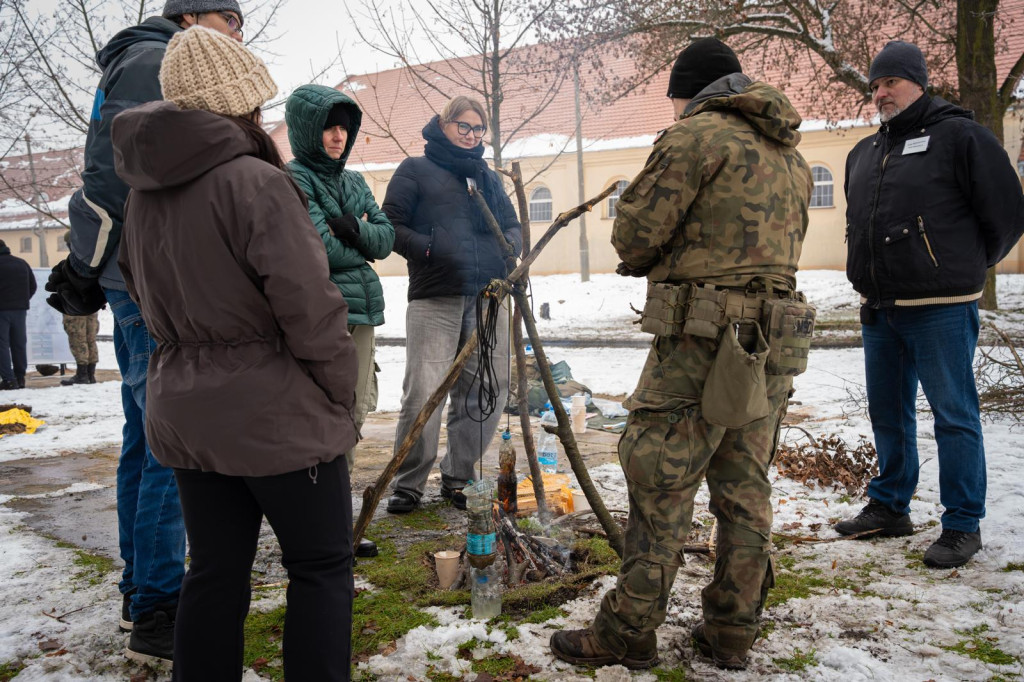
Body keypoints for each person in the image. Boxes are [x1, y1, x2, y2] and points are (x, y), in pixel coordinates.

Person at [549, 38, 812, 671]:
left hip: (699, 345)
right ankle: (731, 631)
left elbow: (635, 234)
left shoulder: (693, 138)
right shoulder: (792, 154)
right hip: (771, 347)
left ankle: (628, 631)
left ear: (685, 93)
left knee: (661, 482)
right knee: (745, 488)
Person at [113, 26, 358, 681]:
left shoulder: (141, 194)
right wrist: (340, 398)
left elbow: (136, 291)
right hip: (274, 414)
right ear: (243, 101)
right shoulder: (255, 182)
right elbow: (311, 308)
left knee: (214, 572)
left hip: (186, 413)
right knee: (322, 567)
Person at [42, 0, 247, 664]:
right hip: (150, 277)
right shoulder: (157, 60)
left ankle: (143, 593)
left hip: (136, 272)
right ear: (192, 17)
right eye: (229, 20)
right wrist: (93, 260)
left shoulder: (138, 58)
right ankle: (159, 607)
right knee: (172, 443)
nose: (236, 35)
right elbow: (112, 174)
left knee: (145, 437)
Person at [834, 41, 1024, 568]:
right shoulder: (866, 152)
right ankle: (891, 506)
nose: (880, 93)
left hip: (940, 305)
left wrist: (963, 265)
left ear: (918, 81)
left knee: (954, 416)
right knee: (888, 413)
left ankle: (963, 523)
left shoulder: (961, 137)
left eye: (890, 81)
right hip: (880, 306)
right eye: (874, 85)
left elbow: (1008, 214)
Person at [382, 96, 522, 514]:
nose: (471, 135)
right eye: (464, 126)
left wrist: (511, 244)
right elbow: (389, 225)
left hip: (488, 298)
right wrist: (428, 248)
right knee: (424, 391)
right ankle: (408, 483)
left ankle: (459, 477)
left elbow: (513, 224)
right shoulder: (415, 170)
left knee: (485, 391)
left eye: (479, 130)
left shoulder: (487, 177)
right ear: (443, 124)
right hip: (435, 296)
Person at [285, 84, 395, 558]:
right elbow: (317, 249)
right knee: (322, 419)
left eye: (345, 129)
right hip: (325, 314)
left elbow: (387, 237)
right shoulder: (293, 178)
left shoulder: (353, 182)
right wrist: (358, 238)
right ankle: (314, 529)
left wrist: (354, 230)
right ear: (309, 130)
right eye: (330, 127)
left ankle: (339, 527)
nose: (338, 136)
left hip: (364, 313)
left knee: (354, 414)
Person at [58, 234, 100, 387]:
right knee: (90, 338)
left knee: (78, 339)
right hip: (91, 306)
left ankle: (82, 375)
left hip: (75, 307)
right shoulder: (91, 259)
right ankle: (90, 374)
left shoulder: (71, 262)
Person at [0, 239, 36, 390]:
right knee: (19, 344)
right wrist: (22, 300)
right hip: (20, 310)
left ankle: (8, 380)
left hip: (1, 311)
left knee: (2, 345)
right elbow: (32, 286)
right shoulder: (22, 263)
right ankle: (20, 378)